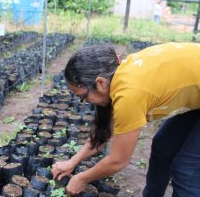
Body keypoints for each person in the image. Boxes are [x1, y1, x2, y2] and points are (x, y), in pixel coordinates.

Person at [51, 43, 200, 196]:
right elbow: (105, 132)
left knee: (186, 171)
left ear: (101, 83)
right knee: (163, 147)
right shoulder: (119, 75)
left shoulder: (129, 95)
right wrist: (72, 162)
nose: (86, 102)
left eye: (83, 96)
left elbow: (118, 160)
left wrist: (81, 179)